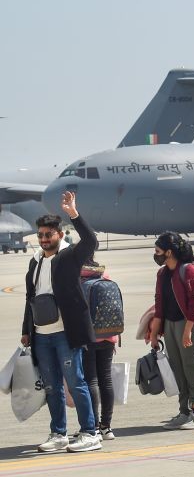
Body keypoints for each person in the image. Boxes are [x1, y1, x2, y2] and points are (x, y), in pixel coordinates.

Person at [21, 192, 102, 452]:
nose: (44, 239)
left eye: (49, 235)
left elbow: (91, 241)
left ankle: (90, 433)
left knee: (76, 382)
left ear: (59, 234)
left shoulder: (69, 257)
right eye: (41, 235)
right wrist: (26, 331)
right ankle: (59, 433)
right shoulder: (34, 263)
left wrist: (73, 214)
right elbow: (30, 298)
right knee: (51, 387)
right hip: (41, 335)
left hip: (66, 333)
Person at [148, 231, 194, 430]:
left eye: (157, 251)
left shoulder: (188, 270)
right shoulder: (162, 273)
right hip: (170, 325)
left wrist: (188, 331)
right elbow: (159, 305)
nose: (155, 255)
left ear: (169, 252)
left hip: (189, 324)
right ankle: (185, 412)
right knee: (178, 369)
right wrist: (154, 334)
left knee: (192, 366)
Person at [80, 260, 117, 441]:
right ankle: (106, 427)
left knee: (91, 381)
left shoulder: (81, 284)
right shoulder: (106, 279)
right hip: (109, 336)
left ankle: (93, 426)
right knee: (106, 380)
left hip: (89, 339)